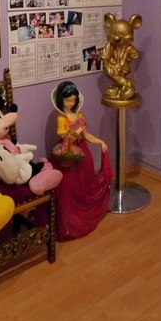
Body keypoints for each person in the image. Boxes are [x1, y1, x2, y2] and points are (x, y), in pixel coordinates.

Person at [50, 80, 111, 240]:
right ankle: (68, 220)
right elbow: (65, 137)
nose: (70, 103)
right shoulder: (62, 118)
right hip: (67, 153)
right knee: (68, 188)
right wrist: (75, 131)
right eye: (67, 100)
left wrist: (99, 141)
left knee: (83, 185)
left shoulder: (79, 115)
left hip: (82, 153)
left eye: (73, 100)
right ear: (61, 100)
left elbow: (86, 135)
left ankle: (82, 211)